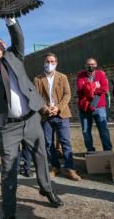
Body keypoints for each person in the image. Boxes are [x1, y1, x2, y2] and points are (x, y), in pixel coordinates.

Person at [0, 17, 63, 218]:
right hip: (8, 127)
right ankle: (9, 211)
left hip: (31, 119)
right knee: (9, 169)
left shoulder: (16, 55)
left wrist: (10, 19)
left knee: (41, 157)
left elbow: (18, 37)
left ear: (4, 44)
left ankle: (46, 189)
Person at [34, 53, 81, 181]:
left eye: (52, 61)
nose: (49, 64)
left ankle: (69, 168)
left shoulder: (63, 77)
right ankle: (55, 166)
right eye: (47, 61)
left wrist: (58, 107)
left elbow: (67, 94)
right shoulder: (37, 79)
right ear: (44, 62)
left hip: (62, 114)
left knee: (65, 141)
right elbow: (36, 98)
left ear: (56, 62)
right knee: (48, 143)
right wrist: (45, 109)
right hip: (46, 116)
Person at [76, 58, 113, 153]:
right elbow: (81, 90)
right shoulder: (80, 76)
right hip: (85, 108)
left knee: (103, 130)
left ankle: (108, 150)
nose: (90, 66)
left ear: (96, 65)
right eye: (88, 64)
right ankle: (90, 150)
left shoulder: (100, 74)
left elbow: (104, 88)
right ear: (85, 65)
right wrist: (95, 87)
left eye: (92, 64)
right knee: (85, 131)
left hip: (99, 107)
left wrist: (89, 87)